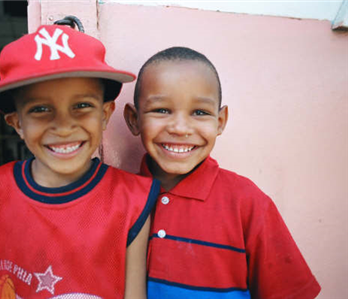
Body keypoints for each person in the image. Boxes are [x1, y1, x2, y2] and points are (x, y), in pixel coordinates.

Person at [0, 21, 159, 299]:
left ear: (105, 114)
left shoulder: (132, 201)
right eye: (41, 109)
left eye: (82, 106)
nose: (64, 126)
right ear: (17, 123)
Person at [124, 47, 321, 298]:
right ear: (133, 119)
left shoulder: (246, 202)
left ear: (220, 121)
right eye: (162, 110)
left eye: (200, 112)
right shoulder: (118, 199)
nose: (180, 128)